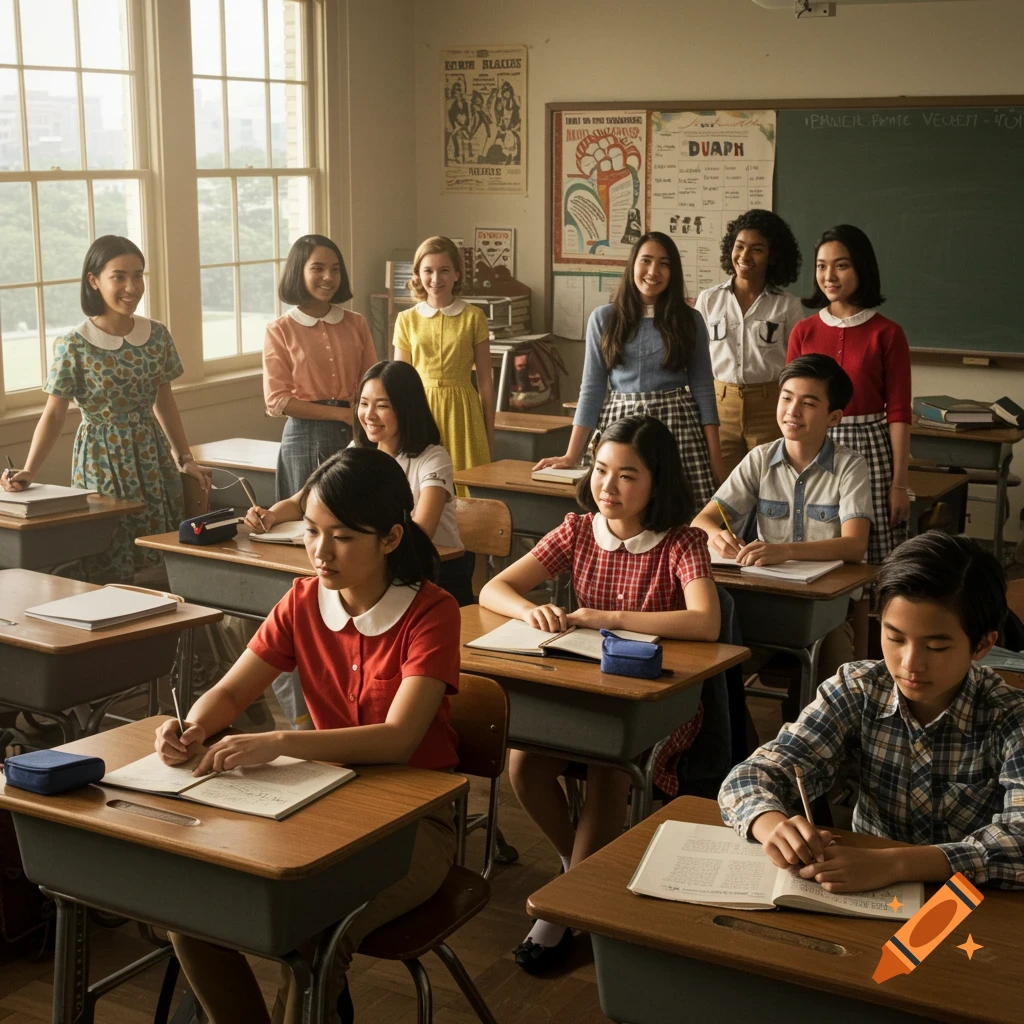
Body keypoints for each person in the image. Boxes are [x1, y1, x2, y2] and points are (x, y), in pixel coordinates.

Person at [156, 447, 461, 1024]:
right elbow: (229, 693)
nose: (320, 552)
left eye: (343, 537)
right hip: (318, 803)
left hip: (415, 821)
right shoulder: (302, 600)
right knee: (189, 913)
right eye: (312, 532)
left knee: (321, 938)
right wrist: (193, 725)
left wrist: (279, 743)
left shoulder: (432, 612)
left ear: (392, 538)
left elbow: (397, 739)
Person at [480, 416, 720, 972]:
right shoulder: (578, 529)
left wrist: (605, 616)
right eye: (602, 471)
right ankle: (581, 867)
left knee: (611, 768)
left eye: (627, 476)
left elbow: (706, 622)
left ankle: (563, 914)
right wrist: (530, 608)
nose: (608, 487)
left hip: (654, 700)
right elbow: (496, 587)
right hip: (585, 688)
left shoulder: (682, 543)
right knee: (524, 765)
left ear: (658, 483)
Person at [719, 531, 1024, 893]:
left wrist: (895, 863)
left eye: (937, 646)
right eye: (894, 638)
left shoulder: (1009, 717)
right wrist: (770, 823)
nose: (910, 664)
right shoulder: (859, 689)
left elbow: (1019, 838)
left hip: (970, 899)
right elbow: (751, 776)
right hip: (864, 888)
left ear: (983, 644)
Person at [0, 235, 210, 583]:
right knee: (112, 553)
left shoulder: (157, 335)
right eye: (120, 276)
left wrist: (185, 458)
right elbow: (53, 414)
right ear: (94, 280)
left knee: (160, 552)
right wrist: (29, 471)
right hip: (101, 457)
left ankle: (165, 629)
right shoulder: (74, 344)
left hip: (152, 455)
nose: (132, 286)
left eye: (139, 275)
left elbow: (165, 401)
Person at [692, 354, 873, 709]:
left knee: (834, 678)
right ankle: (737, 745)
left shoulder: (850, 466)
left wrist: (785, 550)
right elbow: (702, 520)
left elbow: (855, 545)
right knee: (712, 666)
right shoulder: (760, 459)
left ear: (834, 417)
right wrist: (717, 535)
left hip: (824, 610)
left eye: (808, 403)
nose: (793, 410)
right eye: (786, 398)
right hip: (765, 602)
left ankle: (822, 752)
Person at [246, 360, 475, 606]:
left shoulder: (432, 457)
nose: (369, 415)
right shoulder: (357, 451)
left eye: (382, 406)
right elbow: (301, 501)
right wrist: (269, 516)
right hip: (376, 573)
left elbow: (420, 531)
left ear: (406, 408)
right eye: (364, 404)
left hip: (435, 573)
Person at [534, 231, 723, 507]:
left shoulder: (690, 320)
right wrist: (570, 455)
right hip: (619, 426)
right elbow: (592, 390)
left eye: (664, 264)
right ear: (632, 265)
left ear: (673, 272)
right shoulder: (604, 318)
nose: (653, 271)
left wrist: (716, 463)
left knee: (678, 516)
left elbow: (704, 391)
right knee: (622, 511)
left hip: (678, 429)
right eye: (645, 261)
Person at [787, 225, 911, 564]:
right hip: (813, 446)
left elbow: (899, 413)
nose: (829, 276)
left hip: (870, 447)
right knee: (816, 540)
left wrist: (899, 484)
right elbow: (791, 405)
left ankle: (870, 617)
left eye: (841, 265)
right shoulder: (804, 331)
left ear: (862, 268)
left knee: (870, 550)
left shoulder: (888, 334)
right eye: (821, 266)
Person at [263, 233, 377, 503]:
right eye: (318, 268)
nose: (328, 277)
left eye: (335, 270)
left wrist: (357, 417)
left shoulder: (356, 323)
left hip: (357, 431)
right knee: (304, 520)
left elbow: (373, 382)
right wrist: (341, 415)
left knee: (358, 515)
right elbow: (277, 402)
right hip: (304, 438)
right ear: (298, 272)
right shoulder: (279, 330)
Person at [696, 209, 803, 476]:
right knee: (721, 491)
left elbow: (797, 365)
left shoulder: (788, 306)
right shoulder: (709, 300)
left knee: (770, 485)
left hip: (770, 407)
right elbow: (695, 360)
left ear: (772, 256)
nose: (744, 257)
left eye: (756, 249)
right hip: (719, 408)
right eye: (739, 246)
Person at [393, 236, 495, 494]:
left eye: (444, 270)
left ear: (457, 273)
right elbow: (398, 382)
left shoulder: (473, 317)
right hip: (420, 409)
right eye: (428, 271)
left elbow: (485, 380)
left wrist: (489, 434)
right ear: (418, 274)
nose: (436, 279)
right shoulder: (406, 319)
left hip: (463, 412)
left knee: (466, 486)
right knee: (421, 487)